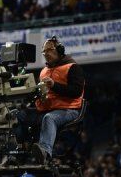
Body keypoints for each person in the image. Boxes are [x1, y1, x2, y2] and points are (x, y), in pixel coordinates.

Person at [18, 35, 85, 163]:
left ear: (59, 51)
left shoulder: (73, 67)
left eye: (49, 50)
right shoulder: (43, 71)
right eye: (44, 52)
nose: (46, 54)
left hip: (68, 109)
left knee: (49, 118)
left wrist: (54, 85)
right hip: (46, 108)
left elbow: (76, 92)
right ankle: (20, 149)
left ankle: (44, 152)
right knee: (18, 115)